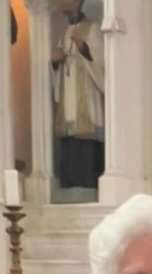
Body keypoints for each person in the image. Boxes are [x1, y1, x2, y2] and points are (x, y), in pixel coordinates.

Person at [51, 0, 104, 189]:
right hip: (68, 92)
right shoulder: (65, 32)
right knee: (69, 140)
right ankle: (69, 183)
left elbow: (101, 62)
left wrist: (83, 49)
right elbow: (58, 62)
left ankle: (87, 184)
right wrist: (55, 63)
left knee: (85, 142)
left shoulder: (93, 28)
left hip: (87, 94)